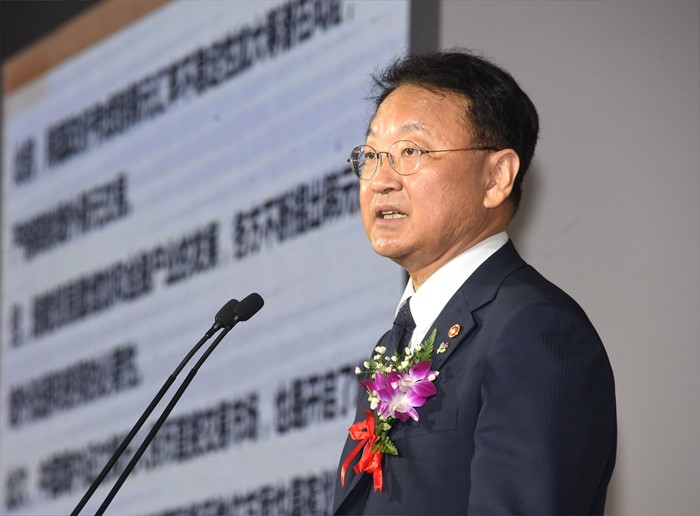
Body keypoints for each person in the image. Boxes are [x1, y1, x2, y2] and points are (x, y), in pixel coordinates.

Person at [332, 50, 616, 515]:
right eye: (372, 155)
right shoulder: (398, 340)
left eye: (410, 152)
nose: (380, 180)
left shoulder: (533, 329)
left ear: (496, 178)